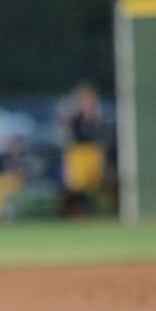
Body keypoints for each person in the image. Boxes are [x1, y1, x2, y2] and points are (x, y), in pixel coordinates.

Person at [60, 83, 107, 217]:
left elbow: (101, 141)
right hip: (79, 154)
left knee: (95, 185)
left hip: (93, 154)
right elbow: (68, 140)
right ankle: (77, 212)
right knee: (76, 185)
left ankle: (93, 212)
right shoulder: (74, 119)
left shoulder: (99, 120)